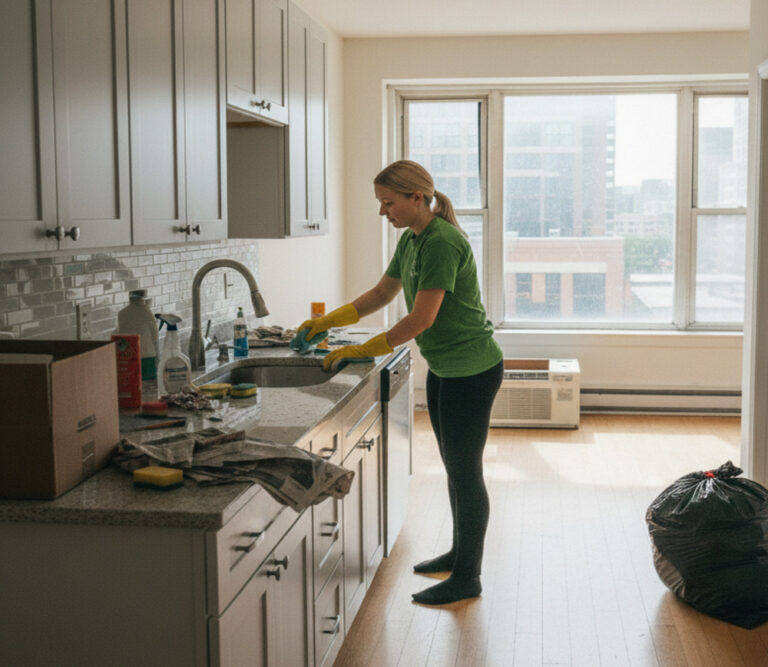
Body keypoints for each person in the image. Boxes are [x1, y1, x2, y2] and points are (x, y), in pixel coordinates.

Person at [295, 160, 503, 605]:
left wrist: (363, 349)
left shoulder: (441, 242)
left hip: (472, 371)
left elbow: (421, 318)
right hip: (446, 367)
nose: (383, 211)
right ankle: (459, 554)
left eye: (388, 203)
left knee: (466, 473)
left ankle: (468, 576)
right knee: (455, 468)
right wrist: (327, 321)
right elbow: (382, 293)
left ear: (416, 198)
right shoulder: (412, 239)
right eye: (381, 203)